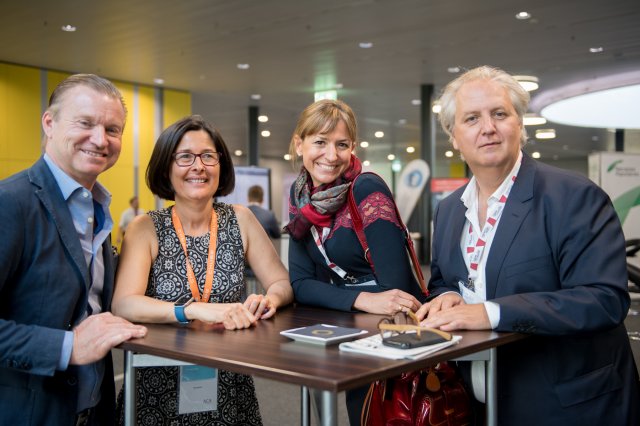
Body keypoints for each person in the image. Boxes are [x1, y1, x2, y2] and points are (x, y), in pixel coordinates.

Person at [416, 65, 640, 425]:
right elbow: (444, 280)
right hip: (477, 402)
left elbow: (603, 299)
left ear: (519, 124)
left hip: (566, 405)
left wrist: (490, 312)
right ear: (454, 136)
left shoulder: (574, 197)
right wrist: (448, 296)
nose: (487, 128)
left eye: (499, 114)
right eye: (471, 118)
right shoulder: (449, 211)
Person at [112, 115, 293, 425]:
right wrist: (192, 310)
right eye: (185, 157)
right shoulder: (146, 227)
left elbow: (281, 282)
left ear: (220, 165)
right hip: (158, 381)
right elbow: (124, 303)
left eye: (208, 156)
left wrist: (268, 300)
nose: (198, 166)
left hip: (228, 381)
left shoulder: (240, 219)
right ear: (166, 168)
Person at [0, 74, 148, 426]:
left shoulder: (97, 209)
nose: (100, 139)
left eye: (112, 129)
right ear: (49, 123)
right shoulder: (10, 203)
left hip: (93, 411)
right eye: (85, 123)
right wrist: (66, 347)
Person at [285, 99, 425, 425]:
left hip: (392, 332)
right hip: (351, 322)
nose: (331, 155)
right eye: (320, 142)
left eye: (341, 144)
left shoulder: (367, 189)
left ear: (353, 148)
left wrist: (339, 296)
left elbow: (395, 290)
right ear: (299, 144)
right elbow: (301, 284)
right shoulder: (300, 196)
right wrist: (362, 298)